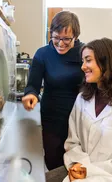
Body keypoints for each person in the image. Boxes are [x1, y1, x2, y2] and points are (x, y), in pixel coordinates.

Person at [55, 38, 112, 182]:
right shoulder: (82, 100)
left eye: (88, 60)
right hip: (81, 171)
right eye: (83, 61)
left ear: (105, 63)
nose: (83, 67)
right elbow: (73, 143)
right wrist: (80, 166)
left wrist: (88, 171)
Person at [22, 11, 84, 170]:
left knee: (78, 164)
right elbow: (33, 85)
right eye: (56, 37)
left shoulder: (84, 53)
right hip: (52, 119)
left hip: (80, 119)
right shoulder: (43, 54)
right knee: (54, 162)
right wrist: (30, 94)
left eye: (66, 39)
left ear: (75, 36)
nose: (61, 43)